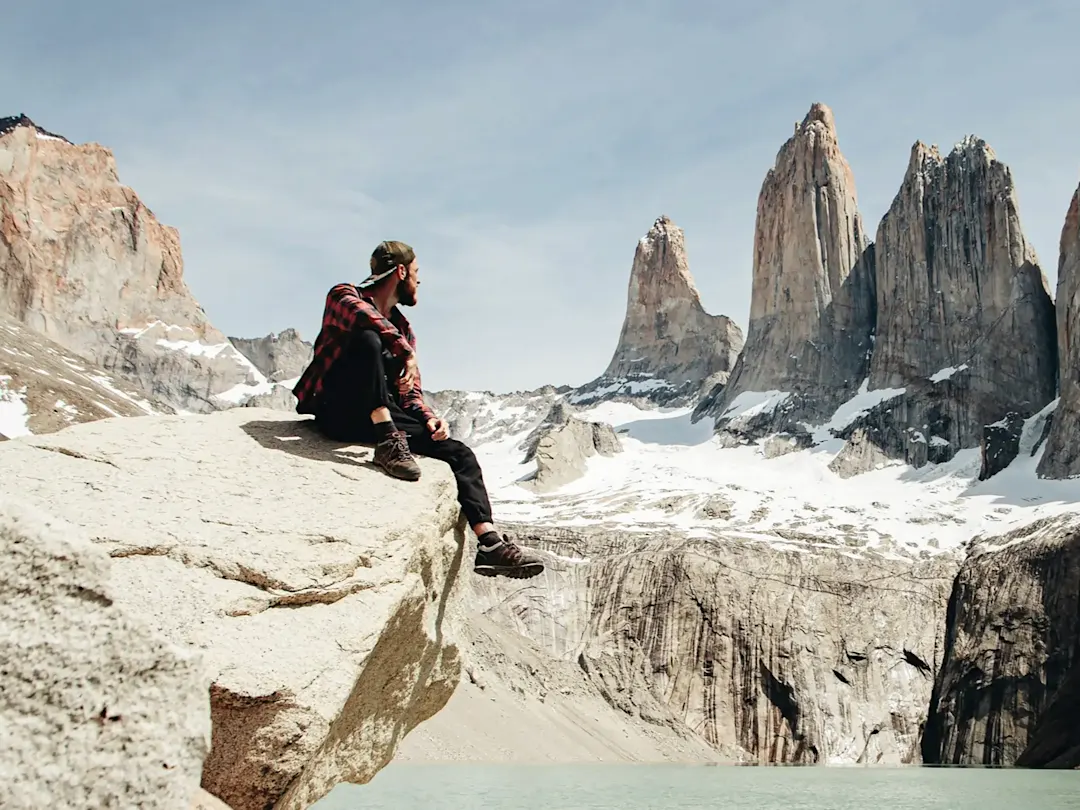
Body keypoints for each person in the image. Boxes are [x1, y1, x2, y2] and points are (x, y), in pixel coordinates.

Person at [292, 239, 544, 580]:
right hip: (338, 406)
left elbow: (409, 393)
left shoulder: (405, 328)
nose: (418, 282)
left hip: (383, 415)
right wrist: (402, 350)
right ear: (400, 272)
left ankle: (490, 545)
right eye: (416, 273)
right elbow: (362, 318)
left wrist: (427, 418)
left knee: (459, 453)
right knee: (368, 339)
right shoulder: (344, 294)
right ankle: (386, 440)